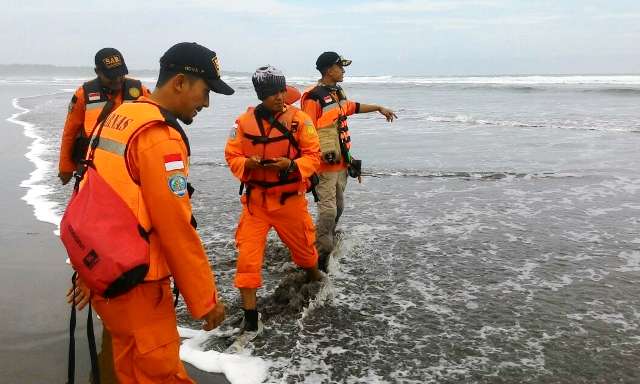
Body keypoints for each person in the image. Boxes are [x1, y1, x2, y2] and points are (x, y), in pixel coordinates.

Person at [67, 42, 233, 383]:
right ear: (180, 83)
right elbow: (175, 227)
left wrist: (88, 268)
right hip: (139, 284)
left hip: (108, 278)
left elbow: (89, 194)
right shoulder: (159, 136)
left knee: (129, 370)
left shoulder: (118, 116)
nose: (206, 102)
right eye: (205, 91)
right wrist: (205, 301)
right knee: (161, 375)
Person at [224, 66, 322, 339]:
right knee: (247, 261)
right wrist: (248, 163)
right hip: (255, 204)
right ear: (260, 95)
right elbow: (231, 156)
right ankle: (251, 320)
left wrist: (291, 165)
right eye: (271, 93)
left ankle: (315, 279)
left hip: (290, 202)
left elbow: (314, 157)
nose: (279, 97)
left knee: (305, 252)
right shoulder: (242, 123)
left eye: (281, 90)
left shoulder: (300, 120)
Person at [301, 52, 397, 272]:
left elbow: (352, 107)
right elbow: (304, 132)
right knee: (327, 212)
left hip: (341, 165)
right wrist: (307, 167)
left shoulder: (337, 93)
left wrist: (378, 108)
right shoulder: (312, 97)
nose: (343, 71)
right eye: (339, 67)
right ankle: (318, 259)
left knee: (339, 207)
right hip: (323, 168)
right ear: (328, 70)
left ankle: (324, 243)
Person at [58, 48, 151, 185]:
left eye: (121, 74)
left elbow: (152, 124)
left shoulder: (139, 90)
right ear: (97, 72)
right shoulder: (83, 94)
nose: (118, 80)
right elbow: (69, 132)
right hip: (93, 165)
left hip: (130, 165)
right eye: (111, 76)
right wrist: (65, 168)